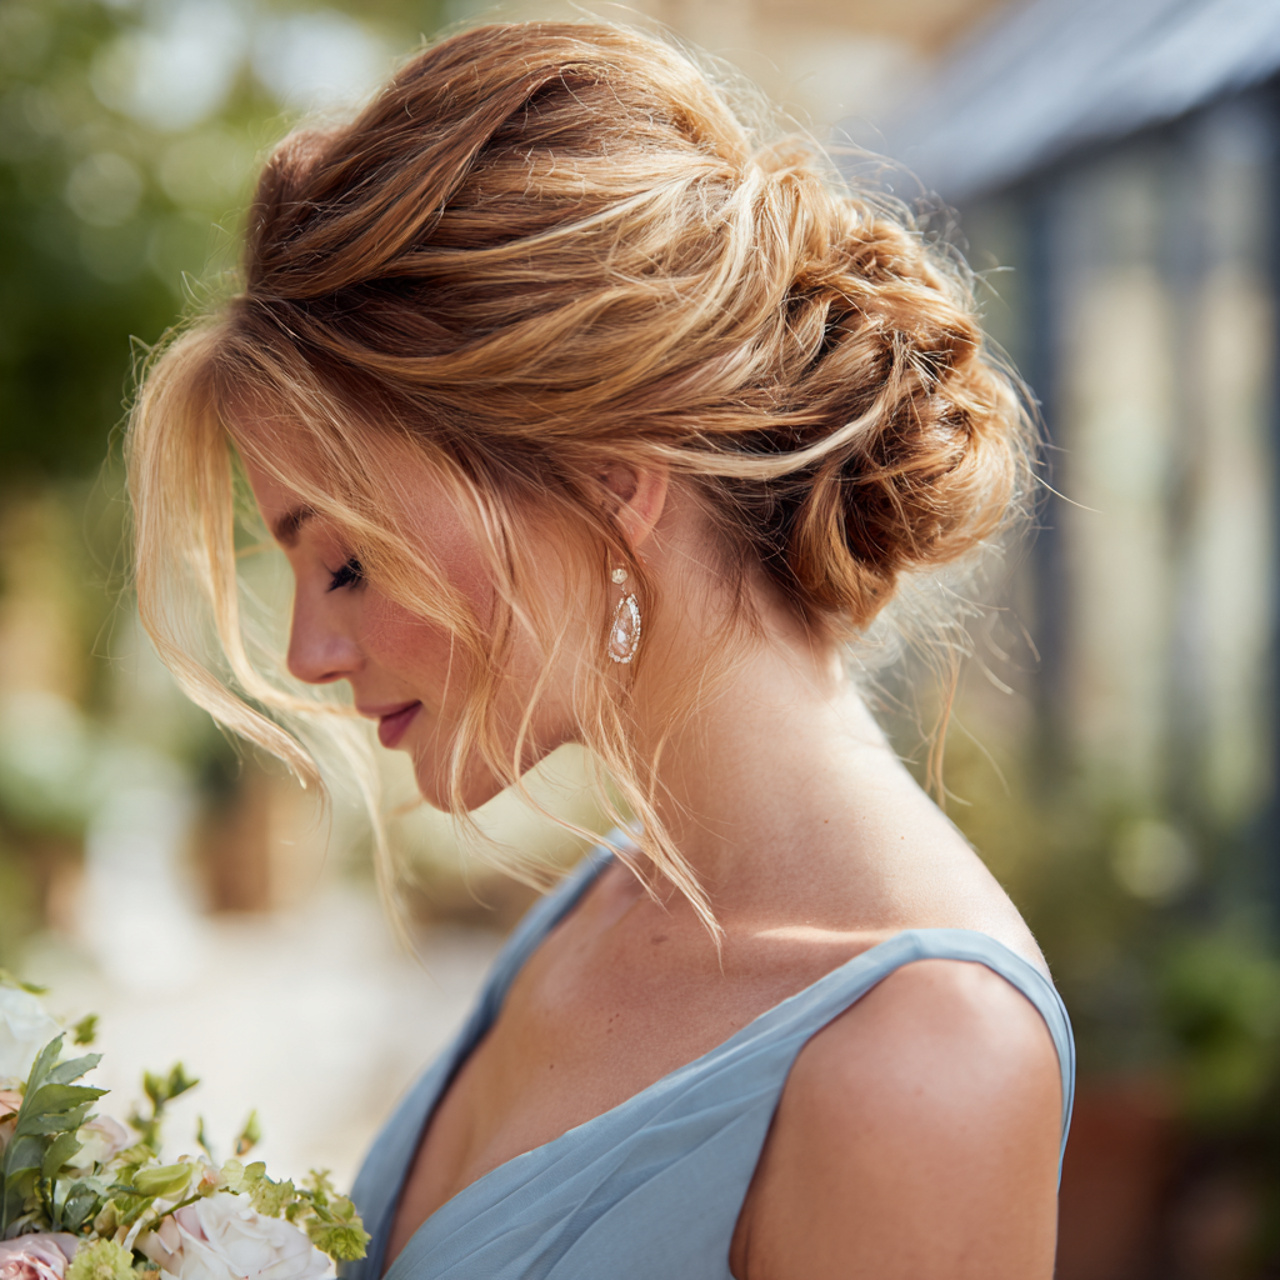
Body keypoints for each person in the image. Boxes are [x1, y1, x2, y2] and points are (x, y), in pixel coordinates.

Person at [126, 20, 1074, 1279]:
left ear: (602, 481)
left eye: (344, 558)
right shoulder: (601, 905)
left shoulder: (921, 1058)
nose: (306, 652)